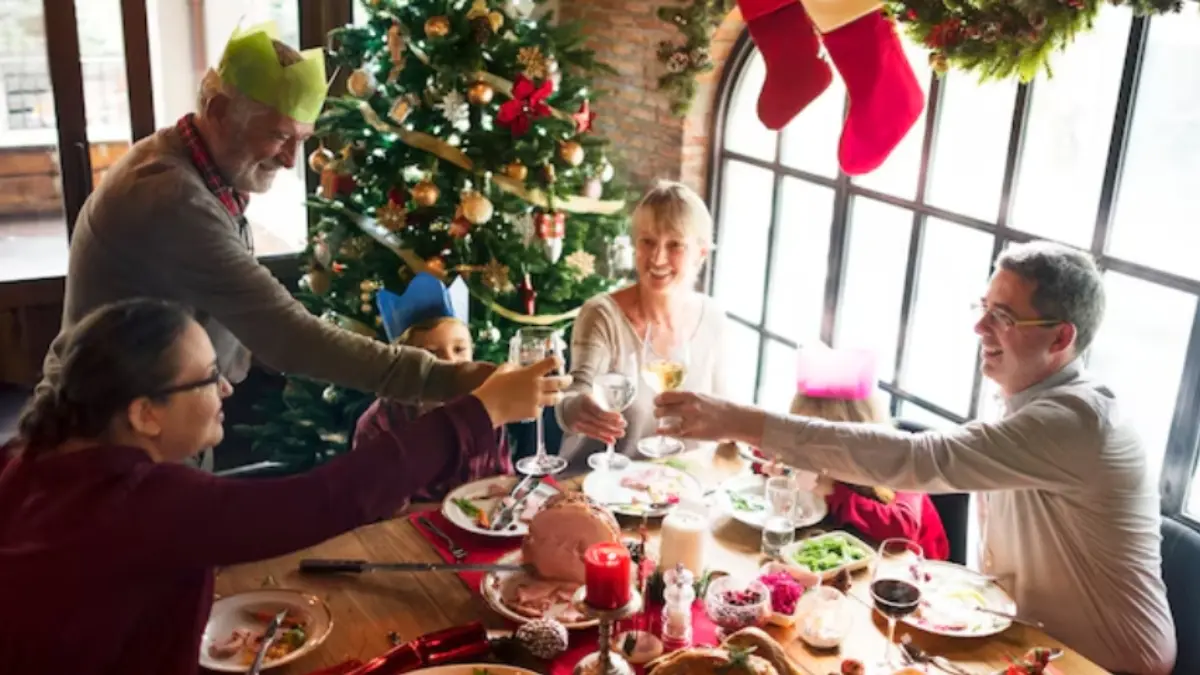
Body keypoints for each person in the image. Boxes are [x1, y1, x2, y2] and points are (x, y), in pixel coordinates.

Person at [655, 241, 1176, 675]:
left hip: (1104, 662)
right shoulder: (1027, 404)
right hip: (1025, 642)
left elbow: (920, 459)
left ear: (1061, 337)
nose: (980, 329)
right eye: (984, 307)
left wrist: (739, 419)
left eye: (1004, 316)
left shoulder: (1078, 421)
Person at [0, 298, 564, 673]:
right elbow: (325, 499)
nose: (226, 389)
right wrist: (478, 410)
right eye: (206, 377)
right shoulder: (134, 504)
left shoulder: (27, 460)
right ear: (145, 413)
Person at [36, 24, 492, 470]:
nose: (292, 160)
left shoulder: (192, 167)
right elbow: (285, 335)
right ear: (216, 110)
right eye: (279, 135)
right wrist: (449, 379)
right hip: (112, 444)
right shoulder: (173, 199)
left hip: (143, 428)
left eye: (302, 140)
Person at [555, 180, 729, 471]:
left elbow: (726, 416)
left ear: (700, 253)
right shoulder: (602, 315)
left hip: (682, 489)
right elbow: (572, 397)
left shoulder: (713, 318)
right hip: (598, 487)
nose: (658, 258)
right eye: (648, 242)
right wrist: (578, 409)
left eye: (675, 245)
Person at [354, 274, 513, 510]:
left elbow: (503, 478)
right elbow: (378, 506)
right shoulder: (378, 423)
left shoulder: (487, 408)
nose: (451, 362)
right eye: (432, 354)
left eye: (459, 349)